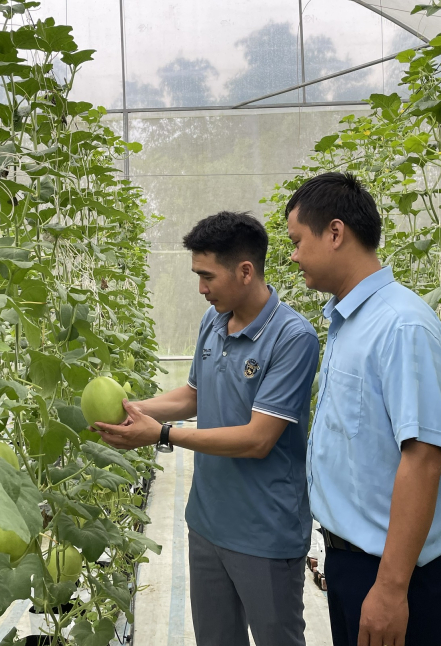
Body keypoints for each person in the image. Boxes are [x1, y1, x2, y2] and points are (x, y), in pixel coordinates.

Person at [95, 211, 320, 646]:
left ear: (245, 271)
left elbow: (258, 439)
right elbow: (193, 396)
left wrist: (160, 434)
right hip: (208, 522)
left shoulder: (293, 337)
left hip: (265, 532)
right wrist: (131, 411)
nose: (200, 289)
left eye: (206, 276)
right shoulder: (215, 321)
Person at [284, 172, 441, 646]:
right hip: (355, 563)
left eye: (298, 241)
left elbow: (424, 458)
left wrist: (389, 588)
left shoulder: (401, 325)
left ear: (336, 233)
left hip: (397, 574)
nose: (294, 255)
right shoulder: (350, 320)